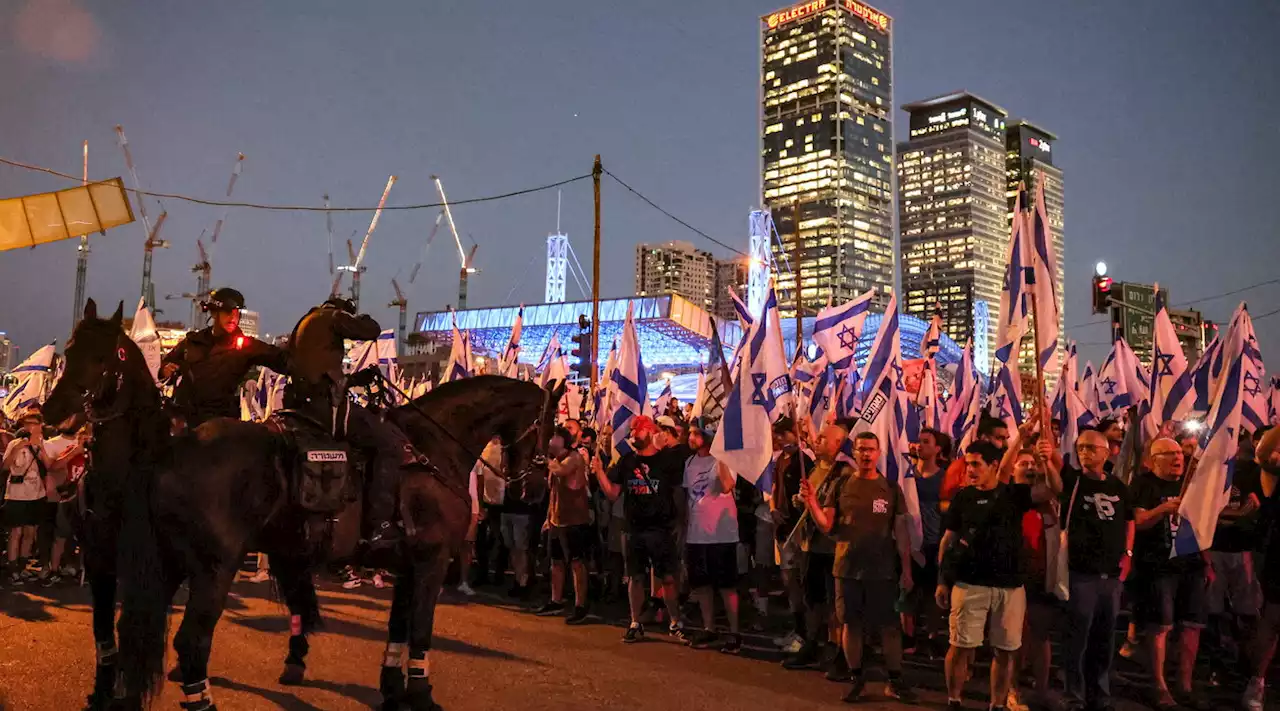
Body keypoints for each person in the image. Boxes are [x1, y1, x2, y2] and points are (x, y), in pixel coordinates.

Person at [285, 296, 422, 551]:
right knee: (389, 444)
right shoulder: (333, 317)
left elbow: (316, 370)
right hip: (326, 408)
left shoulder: (304, 323)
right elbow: (370, 331)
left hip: (300, 404)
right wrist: (361, 318)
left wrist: (356, 379)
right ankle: (379, 524)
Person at [938, 439, 1054, 711]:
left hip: (1010, 587)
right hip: (969, 584)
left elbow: (1051, 490)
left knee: (1005, 650)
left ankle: (997, 704)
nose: (970, 470)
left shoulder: (1014, 494)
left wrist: (1047, 460)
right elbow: (948, 540)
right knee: (960, 646)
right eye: (968, 465)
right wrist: (942, 580)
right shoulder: (962, 497)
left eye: (976, 464)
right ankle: (954, 700)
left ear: (993, 466)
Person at [802, 430, 916, 703]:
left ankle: (895, 680)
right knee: (851, 625)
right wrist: (812, 503)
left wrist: (907, 571)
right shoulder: (841, 486)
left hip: (883, 572)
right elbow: (827, 525)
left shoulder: (890, 488)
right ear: (854, 453)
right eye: (861, 449)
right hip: (847, 570)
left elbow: (901, 534)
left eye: (870, 449)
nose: (866, 454)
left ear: (878, 453)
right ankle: (857, 678)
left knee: (889, 627)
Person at [1044, 429, 1134, 711]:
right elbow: (1056, 482)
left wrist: (1128, 554)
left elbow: (1129, 519)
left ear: (1106, 453)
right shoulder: (1074, 481)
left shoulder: (1118, 487)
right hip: (1081, 573)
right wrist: (1047, 458)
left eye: (1091, 448)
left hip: (1111, 576)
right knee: (1077, 638)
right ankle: (1074, 695)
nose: (1085, 452)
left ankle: (1100, 694)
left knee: (1105, 639)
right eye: (1081, 447)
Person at [1130, 436, 1211, 711]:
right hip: (1158, 566)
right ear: (1154, 460)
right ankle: (1159, 686)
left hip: (1191, 565)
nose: (1178, 458)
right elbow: (1138, 522)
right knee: (1160, 627)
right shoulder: (1144, 485)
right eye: (1170, 454)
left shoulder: (1192, 483)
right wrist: (1163, 509)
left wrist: (1207, 563)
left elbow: (1203, 526)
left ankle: (1185, 685)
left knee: (1192, 625)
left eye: (1180, 453)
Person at [592, 415, 687, 643]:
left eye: (638, 430)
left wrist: (680, 521)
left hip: (660, 528)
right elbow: (613, 493)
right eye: (632, 430)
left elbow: (679, 490)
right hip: (633, 528)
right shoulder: (626, 462)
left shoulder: (666, 461)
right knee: (635, 577)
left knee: (668, 578)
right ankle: (635, 621)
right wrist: (599, 472)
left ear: (650, 431)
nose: (633, 434)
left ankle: (675, 621)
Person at [160, 287, 288, 427]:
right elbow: (165, 365)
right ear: (214, 312)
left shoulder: (246, 346)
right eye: (228, 312)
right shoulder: (192, 341)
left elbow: (283, 360)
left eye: (237, 313)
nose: (233, 317)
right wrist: (165, 369)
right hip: (183, 421)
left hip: (219, 428)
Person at [682, 424, 742, 653]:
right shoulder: (689, 463)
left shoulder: (724, 459)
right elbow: (688, 496)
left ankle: (734, 632)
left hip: (722, 534)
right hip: (697, 534)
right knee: (702, 585)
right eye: (690, 433)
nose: (691, 437)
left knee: (727, 586)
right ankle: (710, 628)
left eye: (696, 433)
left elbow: (727, 486)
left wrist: (721, 459)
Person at [536, 427, 592, 624]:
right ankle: (556, 599)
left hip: (575, 521)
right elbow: (553, 493)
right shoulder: (556, 461)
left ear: (563, 440)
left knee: (577, 563)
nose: (551, 441)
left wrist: (546, 461)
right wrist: (548, 518)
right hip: (557, 520)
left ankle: (581, 605)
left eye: (554, 437)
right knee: (556, 562)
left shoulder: (574, 458)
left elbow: (562, 471)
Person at [769, 416, 814, 653]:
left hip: (797, 529)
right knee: (788, 581)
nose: (778, 438)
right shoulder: (780, 460)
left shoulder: (803, 461)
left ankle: (806, 635)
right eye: (776, 434)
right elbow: (775, 487)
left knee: (797, 581)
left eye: (783, 433)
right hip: (782, 528)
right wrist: (774, 509)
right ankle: (798, 630)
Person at [908, 426, 951, 656]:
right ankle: (910, 636)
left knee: (932, 592)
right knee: (909, 591)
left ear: (937, 449)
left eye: (926, 442)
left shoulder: (944, 478)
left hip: (934, 542)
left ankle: (932, 636)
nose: (920, 445)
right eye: (919, 441)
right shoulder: (906, 475)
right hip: (910, 541)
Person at [3, 409, 53, 585]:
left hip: (36, 494)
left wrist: (40, 448)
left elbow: (48, 465)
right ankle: (13, 568)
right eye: (28, 424)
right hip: (16, 495)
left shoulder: (42, 444)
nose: (31, 427)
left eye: (35, 423)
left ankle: (23, 566)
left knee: (30, 532)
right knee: (16, 532)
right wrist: (18, 447)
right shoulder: (15, 443)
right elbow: (5, 466)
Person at [39, 423, 86, 586]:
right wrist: (76, 451)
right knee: (60, 536)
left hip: (87, 499)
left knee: (85, 537)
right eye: (83, 436)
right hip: (68, 498)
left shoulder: (100, 451)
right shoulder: (72, 449)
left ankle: (80, 569)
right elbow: (54, 466)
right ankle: (54, 570)